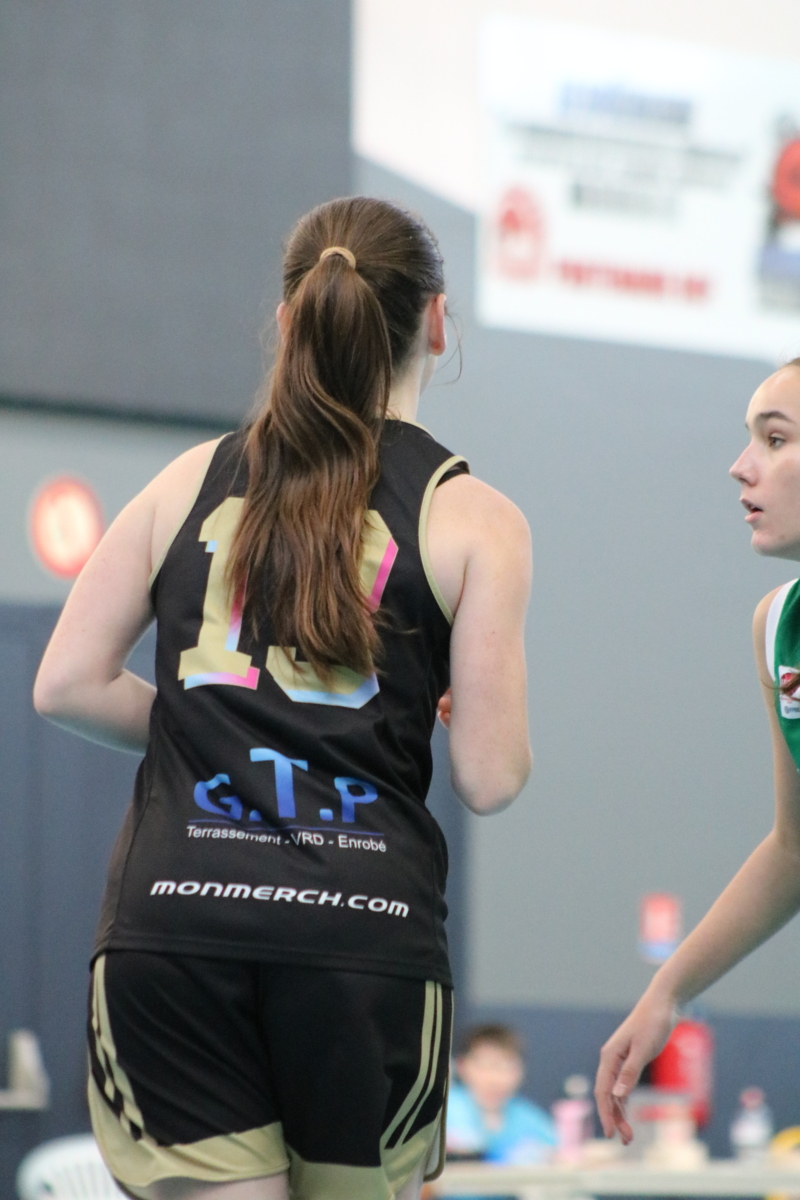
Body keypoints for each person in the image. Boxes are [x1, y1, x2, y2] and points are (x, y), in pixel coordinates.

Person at [33, 196, 532, 1200]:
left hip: (176, 925)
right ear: (436, 322)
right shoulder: (473, 518)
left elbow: (66, 684)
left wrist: (209, 729)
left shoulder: (187, 479)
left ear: (288, 319)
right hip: (361, 937)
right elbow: (488, 777)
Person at [594, 358, 800, 1145]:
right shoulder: (777, 626)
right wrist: (668, 993)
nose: (741, 466)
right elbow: (794, 848)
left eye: (775, 439)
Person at [446, 1025, 556, 1164]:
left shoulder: (528, 1115)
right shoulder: (445, 1109)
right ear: (461, 1066)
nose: (496, 1079)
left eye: (506, 1067)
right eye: (486, 1066)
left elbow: (559, 1152)